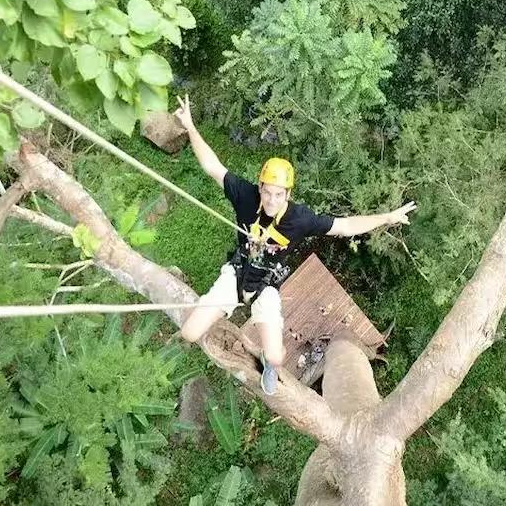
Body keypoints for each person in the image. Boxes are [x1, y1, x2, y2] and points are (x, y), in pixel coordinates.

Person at [175, 94, 416, 395]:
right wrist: (190, 127)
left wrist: (387, 217)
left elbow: (344, 226)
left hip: (266, 285)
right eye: (268, 192)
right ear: (260, 187)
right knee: (189, 332)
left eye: (280, 194)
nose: (272, 200)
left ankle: (266, 360)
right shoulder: (246, 196)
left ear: (288, 194)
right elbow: (213, 167)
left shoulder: (300, 219)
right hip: (238, 273)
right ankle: (219, 313)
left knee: (277, 356)